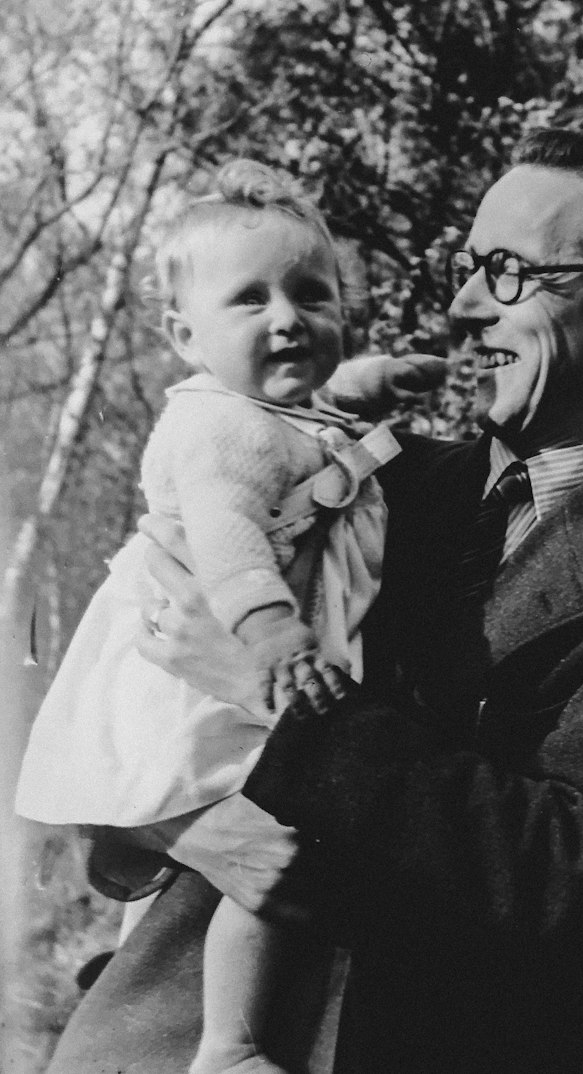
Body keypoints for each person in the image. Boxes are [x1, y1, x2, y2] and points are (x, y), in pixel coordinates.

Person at [46, 126, 583, 1074]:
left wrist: (273, 700)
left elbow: (564, 873)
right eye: (472, 267)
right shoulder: (341, 483)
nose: (467, 305)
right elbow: (111, 701)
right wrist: (192, 829)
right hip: (174, 1038)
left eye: (511, 273)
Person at [16, 159, 444, 1074]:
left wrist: (378, 381)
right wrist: (274, 635)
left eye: (312, 295)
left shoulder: (278, 410)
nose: (288, 318)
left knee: (212, 852)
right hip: (203, 662)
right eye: (250, 301)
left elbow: (331, 407)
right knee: (263, 835)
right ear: (184, 335)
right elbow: (227, 543)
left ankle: (149, 990)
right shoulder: (215, 431)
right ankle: (229, 1044)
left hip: (221, 663)